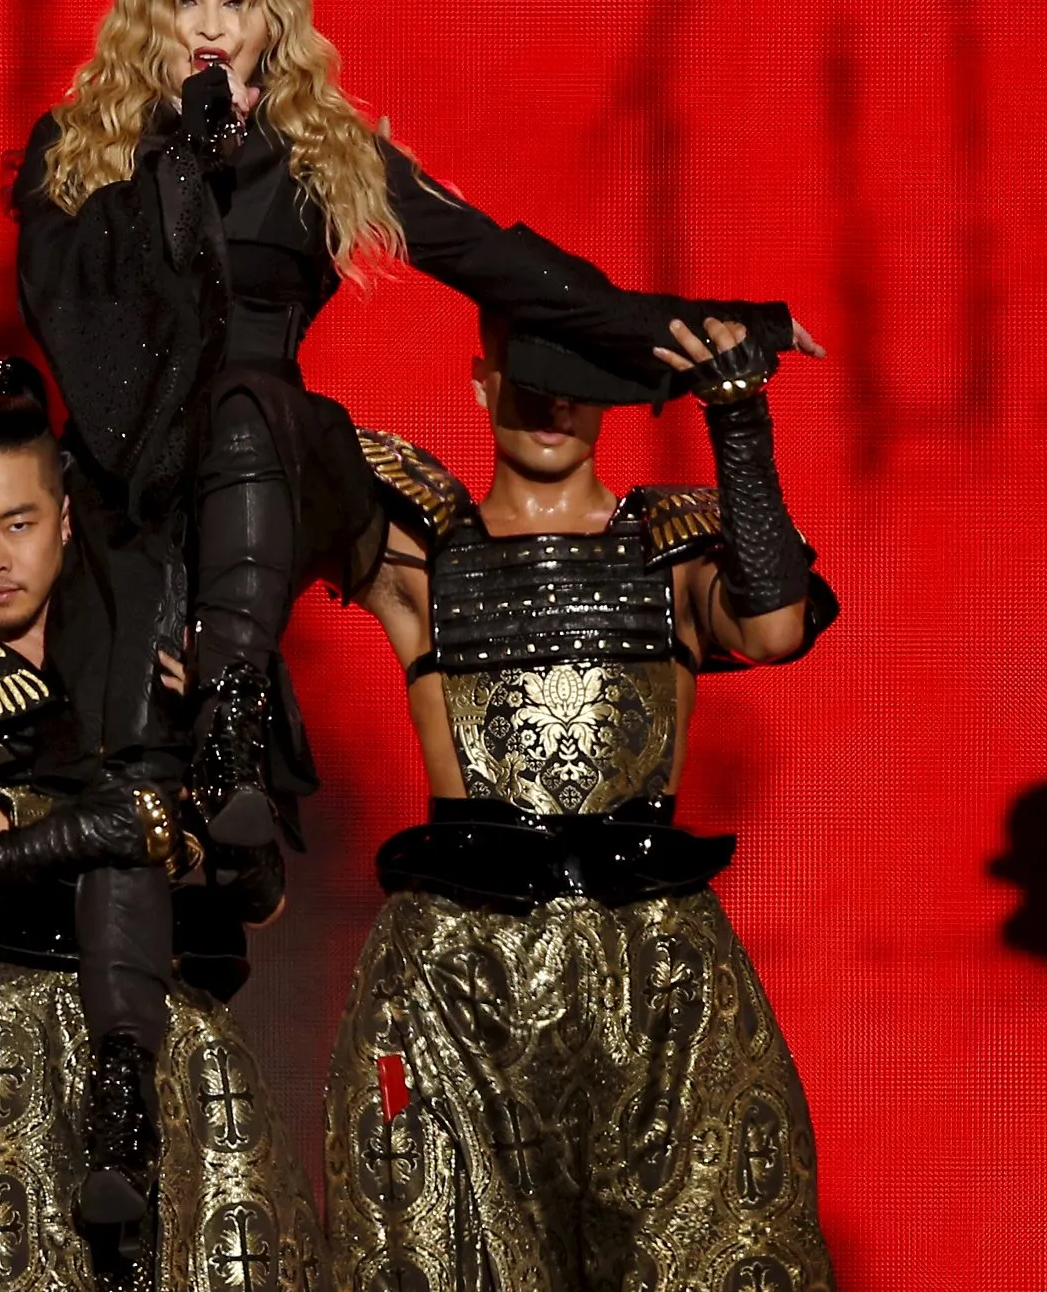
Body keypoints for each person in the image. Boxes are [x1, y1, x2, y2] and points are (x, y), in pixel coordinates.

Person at [11, 0, 821, 1221]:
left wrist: (698, 327)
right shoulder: (76, 150)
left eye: (235, 0)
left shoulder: (323, 152)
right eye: (184, 2)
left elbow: (514, 268)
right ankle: (121, 1085)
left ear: (272, 22)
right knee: (126, 770)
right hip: (136, 486)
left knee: (255, 405)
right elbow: (82, 356)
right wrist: (174, 173)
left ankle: (235, 713)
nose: (210, 26)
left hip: (278, 470)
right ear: (145, 22)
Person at [323, 311, 839, 1291]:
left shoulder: (675, 546)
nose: (554, 405)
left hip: (658, 974)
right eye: (529, 376)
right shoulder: (417, 551)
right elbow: (257, 480)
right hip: (458, 972)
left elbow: (775, 630)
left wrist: (738, 417)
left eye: (579, 380)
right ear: (481, 380)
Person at [0, 364, 317, 1292]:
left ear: (65, 519)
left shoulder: (166, 664)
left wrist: (208, 768)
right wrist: (87, 832)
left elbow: (264, 899)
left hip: (167, 1067)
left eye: (17, 523)